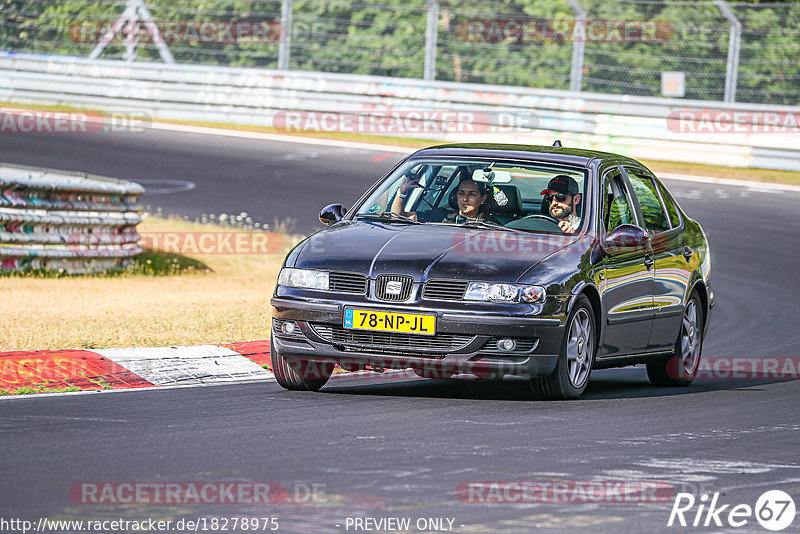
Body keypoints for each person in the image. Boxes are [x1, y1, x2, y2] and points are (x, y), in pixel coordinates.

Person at [390, 174, 494, 224]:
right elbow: (396, 218)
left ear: (483, 199)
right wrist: (402, 193)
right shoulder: (441, 216)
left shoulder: (491, 226)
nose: (465, 199)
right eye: (461, 193)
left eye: (472, 194)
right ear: (456, 196)